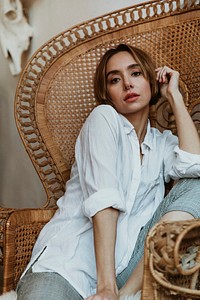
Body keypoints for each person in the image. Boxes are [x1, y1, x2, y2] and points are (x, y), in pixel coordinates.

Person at [16, 44, 200, 300]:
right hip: (67, 268)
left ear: (150, 80)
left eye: (135, 74)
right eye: (115, 79)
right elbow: (104, 198)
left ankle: (132, 291)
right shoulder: (103, 119)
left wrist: (174, 96)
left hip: (126, 270)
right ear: (107, 93)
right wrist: (105, 288)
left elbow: (195, 165)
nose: (127, 84)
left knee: (197, 184)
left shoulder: (162, 143)